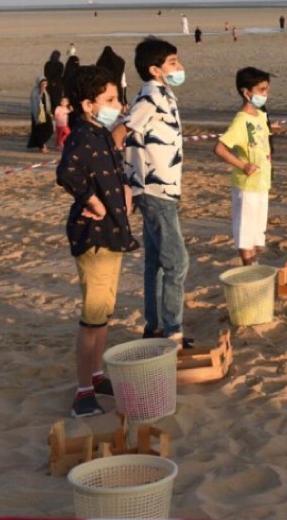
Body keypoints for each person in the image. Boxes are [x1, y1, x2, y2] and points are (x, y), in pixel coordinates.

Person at [56, 65, 139, 417]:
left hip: (113, 233)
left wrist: (126, 189)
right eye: (110, 99)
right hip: (93, 237)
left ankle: (97, 375)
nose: (117, 105)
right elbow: (67, 173)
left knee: (104, 313)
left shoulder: (102, 133)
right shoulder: (80, 136)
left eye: (117, 98)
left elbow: (116, 169)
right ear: (88, 105)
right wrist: (92, 201)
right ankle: (83, 392)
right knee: (91, 318)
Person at [111, 37, 192, 348]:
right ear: (155, 69)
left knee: (156, 262)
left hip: (163, 189)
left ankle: (155, 327)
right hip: (154, 190)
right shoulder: (150, 96)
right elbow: (120, 132)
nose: (179, 67)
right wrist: (121, 176)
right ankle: (172, 332)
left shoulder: (163, 94)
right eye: (172, 62)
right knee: (177, 263)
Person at [213, 67, 279, 265]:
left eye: (267, 90)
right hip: (247, 185)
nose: (265, 94)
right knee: (245, 232)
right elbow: (219, 149)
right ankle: (249, 266)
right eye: (261, 90)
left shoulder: (260, 115)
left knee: (256, 232)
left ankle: (253, 264)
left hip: (262, 183)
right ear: (246, 92)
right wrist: (243, 165)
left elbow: (263, 138)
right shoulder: (241, 121)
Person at [27, 76, 53, 153]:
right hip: (39, 114)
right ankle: (42, 145)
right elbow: (35, 104)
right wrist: (40, 94)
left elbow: (48, 102)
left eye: (45, 83)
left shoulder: (46, 92)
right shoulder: (35, 92)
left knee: (49, 130)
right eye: (43, 84)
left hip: (46, 113)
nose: (44, 85)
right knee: (41, 131)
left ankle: (41, 144)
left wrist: (50, 112)